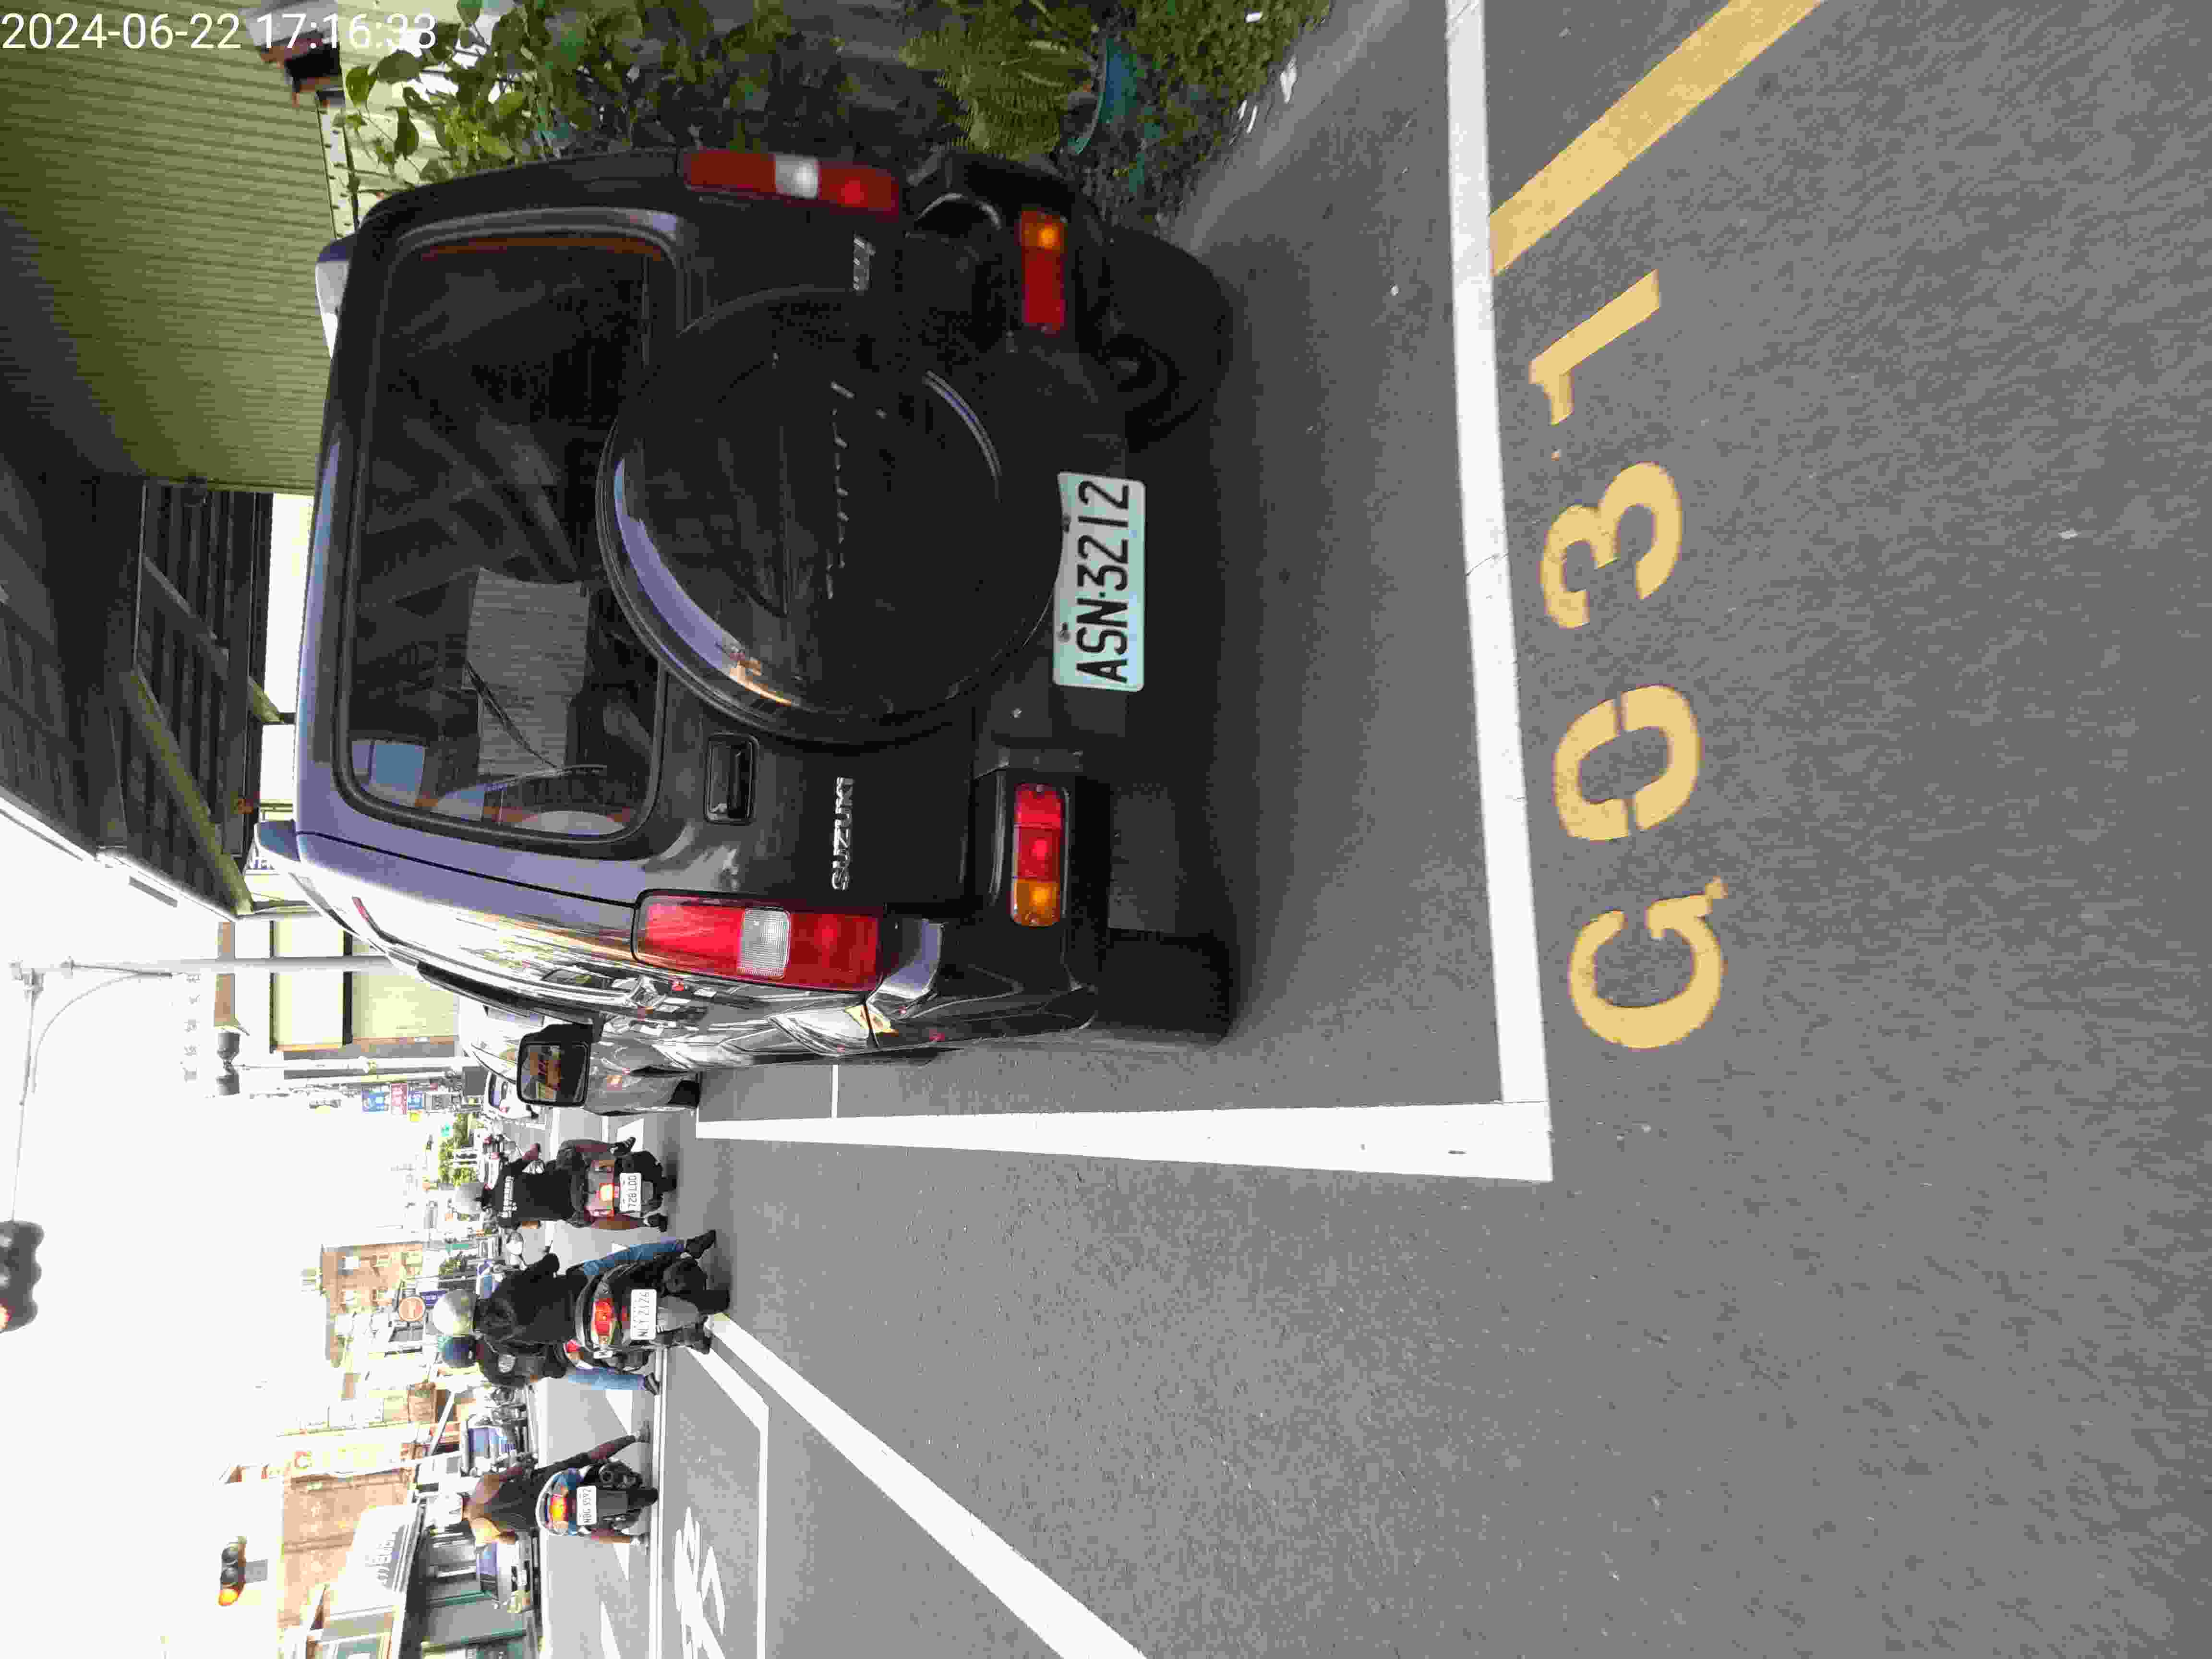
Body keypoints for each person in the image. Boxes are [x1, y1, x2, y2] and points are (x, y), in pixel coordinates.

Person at [475, 1232, 720, 1356]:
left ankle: (688, 1338)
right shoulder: (508, 1287)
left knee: (635, 1342)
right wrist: (546, 1261)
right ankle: (687, 1247)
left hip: (583, 1330)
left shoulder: (498, 1343)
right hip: (585, 1285)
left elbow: (537, 1351)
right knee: (630, 1257)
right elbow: (551, 1264)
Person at [463, 1434, 650, 1548]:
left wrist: (504, 1533)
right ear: (462, 1497)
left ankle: (635, 1541)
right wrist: (526, 1464)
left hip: (547, 1517)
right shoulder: (483, 1485)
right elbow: (517, 1471)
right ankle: (636, 1437)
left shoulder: (481, 1534)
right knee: (586, 1458)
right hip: (549, 1483)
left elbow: (511, 1540)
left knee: (588, 1531)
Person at [457, 1136, 669, 1232]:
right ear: (480, 1186)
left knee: (596, 1222)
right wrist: (534, 1150)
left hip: (573, 1210)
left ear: (479, 1209)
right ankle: (612, 1149)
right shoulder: (505, 1174)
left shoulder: (505, 1222)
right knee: (567, 1146)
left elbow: (532, 1224)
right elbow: (530, 1156)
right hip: (571, 1176)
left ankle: (645, 1223)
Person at [441, 1333, 661, 1397]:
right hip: (556, 1337)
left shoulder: (491, 1374)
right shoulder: (491, 1333)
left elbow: (527, 1380)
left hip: (556, 1366)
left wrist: (542, 1370)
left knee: (596, 1380)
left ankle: (643, 1384)